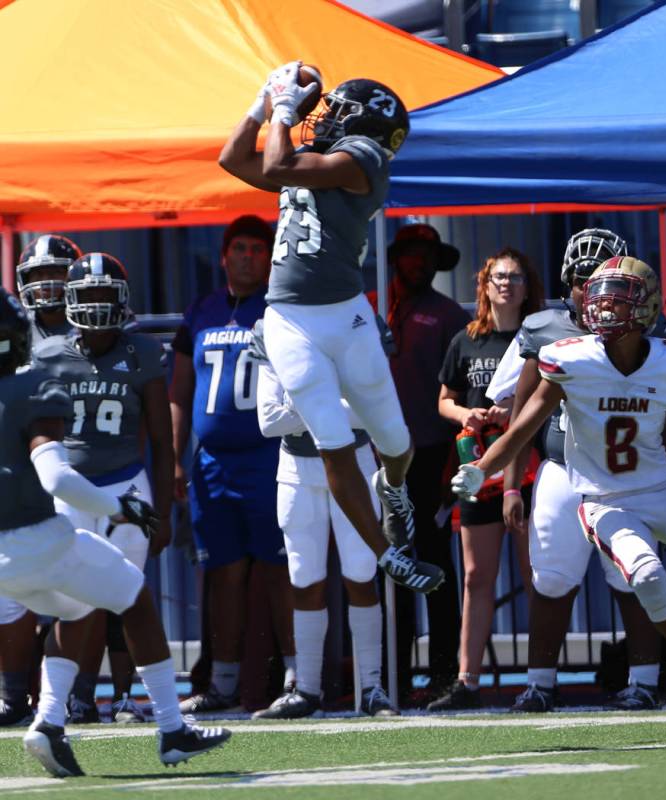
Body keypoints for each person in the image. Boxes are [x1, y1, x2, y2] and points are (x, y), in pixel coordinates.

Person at [452, 255, 666, 734]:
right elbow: (522, 429)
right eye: (602, 292)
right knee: (645, 575)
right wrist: (482, 471)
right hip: (603, 500)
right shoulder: (569, 357)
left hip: (662, 488)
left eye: (619, 294)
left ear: (646, 305)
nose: (606, 304)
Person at [218, 60, 444, 594]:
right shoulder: (314, 160)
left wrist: (284, 107)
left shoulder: (362, 159)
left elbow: (274, 167)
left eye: (339, 112)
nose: (324, 119)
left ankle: (393, 488)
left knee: (394, 439)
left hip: (346, 316)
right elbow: (232, 158)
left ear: (364, 127)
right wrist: (260, 104)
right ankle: (390, 557)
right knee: (334, 443)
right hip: (290, 320)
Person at [0, 287, 230, 778]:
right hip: (39, 539)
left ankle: (48, 722)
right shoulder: (33, 388)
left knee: (79, 606)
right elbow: (58, 478)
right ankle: (171, 729)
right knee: (134, 595)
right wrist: (118, 507)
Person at [487, 229, 664, 713]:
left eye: (604, 277)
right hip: (562, 469)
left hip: (626, 476)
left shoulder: (646, 327)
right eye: (585, 278)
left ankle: (644, 679)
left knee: (635, 578)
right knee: (550, 580)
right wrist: (509, 487)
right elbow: (521, 412)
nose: (594, 288)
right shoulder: (544, 327)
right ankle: (541, 682)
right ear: (570, 281)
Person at [30, 252, 174, 725]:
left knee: (129, 595)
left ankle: (136, 700)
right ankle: (65, 705)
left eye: (103, 296)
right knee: (73, 602)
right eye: (86, 296)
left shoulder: (142, 352)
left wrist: (166, 510)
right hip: (70, 490)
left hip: (127, 484)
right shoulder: (49, 355)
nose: (94, 307)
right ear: (69, 301)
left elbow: (160, 437)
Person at [169, 215, 295, 714]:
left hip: (268, 457)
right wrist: (177, 462)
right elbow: (179, 391)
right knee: (222, 573)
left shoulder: (282, 308)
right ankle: (221, 681)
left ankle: (295, 674)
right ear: (224, 256)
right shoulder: (201, 310)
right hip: (213, 464)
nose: (248, 257)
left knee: (282, 568)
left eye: (257, 249)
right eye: (239, 248)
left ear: (270, 257)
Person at [247, 318, 398, 718]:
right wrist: (335, 406)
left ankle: (372, 687)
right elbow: (268, 422)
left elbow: (372, 414)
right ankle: (307, 689)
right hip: (296, 469)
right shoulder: (272, 328)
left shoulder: (356, 320)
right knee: (303, 579)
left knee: (362, 575)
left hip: (353, 463)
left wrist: (305, 405)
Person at [428, 247, 542, 711]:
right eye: (498, 276)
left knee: (538, 575)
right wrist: (466, 412)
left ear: (527, 287)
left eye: (515, 276)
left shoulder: (539, 339)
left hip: (526, 470)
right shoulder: (466, 340)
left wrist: (515, 411)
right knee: (476, 576)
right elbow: (444, 400)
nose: (506, 284)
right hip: (477, 472)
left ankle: (541, 676)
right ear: (485, 283)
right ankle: (466, 679)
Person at [370, 223, 470, 703]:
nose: (419, 263)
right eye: (410, 253)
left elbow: (462, 396)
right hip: (375, 456)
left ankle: (444, 675)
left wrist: (454, 469)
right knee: (387, 563)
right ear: (397, 257)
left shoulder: (450, 317)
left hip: (431, 458)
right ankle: (390, 676)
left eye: (426, 256)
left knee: (435, 567)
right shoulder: (367, 308)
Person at [0, 234, 82, 727]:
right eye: (39, 276)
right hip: (22, 472)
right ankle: (15, 695)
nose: (49, 286)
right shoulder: (14, 332)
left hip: (86, 470)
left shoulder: (100, 330)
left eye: (59, 274)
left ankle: (78, 697)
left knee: (79, 594)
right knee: (12, 593)